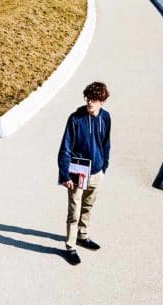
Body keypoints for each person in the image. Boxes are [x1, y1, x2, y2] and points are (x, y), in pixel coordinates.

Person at [57, 82, 111, 265]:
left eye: (94, 100)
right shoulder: (75, 119)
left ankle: (82, 235)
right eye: (88, 98)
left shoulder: (106, 118)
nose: (90, 103)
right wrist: (64, 175)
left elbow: (106, 144)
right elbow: (65, 148)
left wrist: (104, 167)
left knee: (88, 206)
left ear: (102, 102)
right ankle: (70, 246)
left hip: (97, 172)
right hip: (77, 172)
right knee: (74, 211)